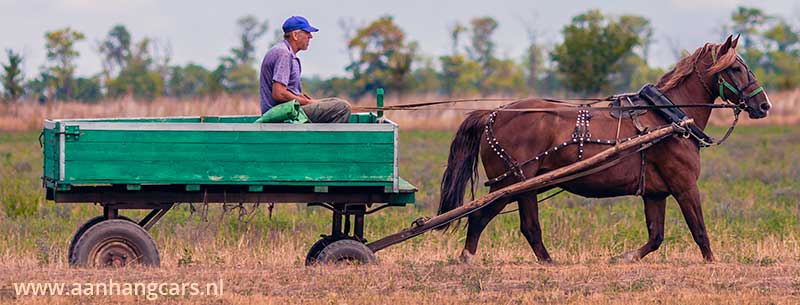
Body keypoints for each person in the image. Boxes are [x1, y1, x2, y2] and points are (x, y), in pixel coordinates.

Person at [259, 15, 352, 123]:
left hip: (288, 110)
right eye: (307, 32)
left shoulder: (285, 52)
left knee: (335, 101)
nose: (310, 36)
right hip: (282, 114)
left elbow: (288, 91)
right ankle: (328, 140)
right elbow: (279, 93)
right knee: (342, 107)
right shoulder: (283, 53)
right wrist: (307, 103)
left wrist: (307, 99)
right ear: (295, 35)